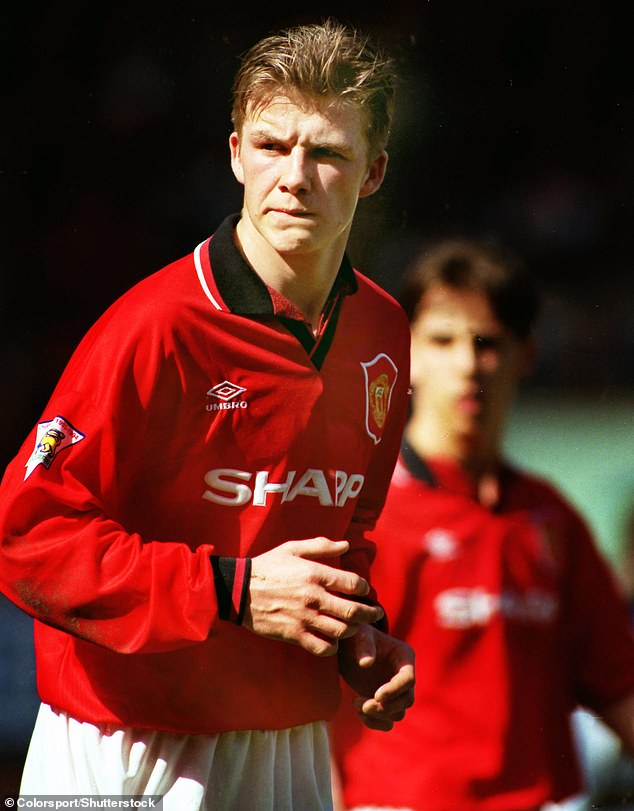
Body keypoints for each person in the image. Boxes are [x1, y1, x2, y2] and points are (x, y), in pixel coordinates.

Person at [0, 20, 415, 810]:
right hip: (122, 744)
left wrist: (356, 637)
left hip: (287, 742)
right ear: (234, 154)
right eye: (271, 145)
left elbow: (343, 532)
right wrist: (233, 589)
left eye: (327, 152)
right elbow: (26, 532)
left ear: (374, 173)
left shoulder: (384, 336)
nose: (294, 176)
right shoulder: (155, 326)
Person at [330, 238, 634, 811]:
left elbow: (619, 686)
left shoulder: (552, 518)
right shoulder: (362, 509)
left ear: (526, 356)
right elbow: (310, 694)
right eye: (443, 341)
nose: (469, 365)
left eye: (488, 343)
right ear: (407, 353)